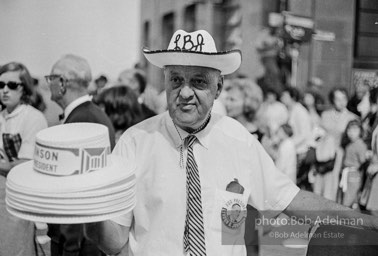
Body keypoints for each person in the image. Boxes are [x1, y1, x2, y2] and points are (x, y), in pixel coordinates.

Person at [84, 29, 378, 256]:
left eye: (198, 81)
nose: (185, 92)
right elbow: (114, 241)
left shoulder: (239, 140)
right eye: (176, 80)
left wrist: (366, 221)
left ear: (218, 88)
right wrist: (81, 203)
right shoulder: (135, 143)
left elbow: (292, 201)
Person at [45, 54, 116, 256]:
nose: (48, 84)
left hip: (77, 243)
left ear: (62, 83)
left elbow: (75, 196)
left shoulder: (82, 120)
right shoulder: (90, 114)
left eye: (50, 78)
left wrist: (70, 248)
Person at [0, 62, 48, 256]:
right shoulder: (1, 116)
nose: (4, 90)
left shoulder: (33, 118)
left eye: (11, 85)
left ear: (25, 88)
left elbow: (25, 165)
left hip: (18, 204)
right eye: (0, 85)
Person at [314, 88, 357, 201]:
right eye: (337, 99)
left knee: (331, 186)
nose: (341, 102)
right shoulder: (325, 115)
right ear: (333, 100)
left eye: (343, 98)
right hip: (322, 153)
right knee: (319, 186)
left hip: (338, 155)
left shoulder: (352, 118)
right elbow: (317, 132)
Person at [338, 120, 368, 207]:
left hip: (354, 175)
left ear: (360, 131)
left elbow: (363, 162)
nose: (351, 133)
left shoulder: (360, 145)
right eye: (349, 130)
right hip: (347, 174)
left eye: (355, 130)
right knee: (345, 197)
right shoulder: (349, 144)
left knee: (349, 199)